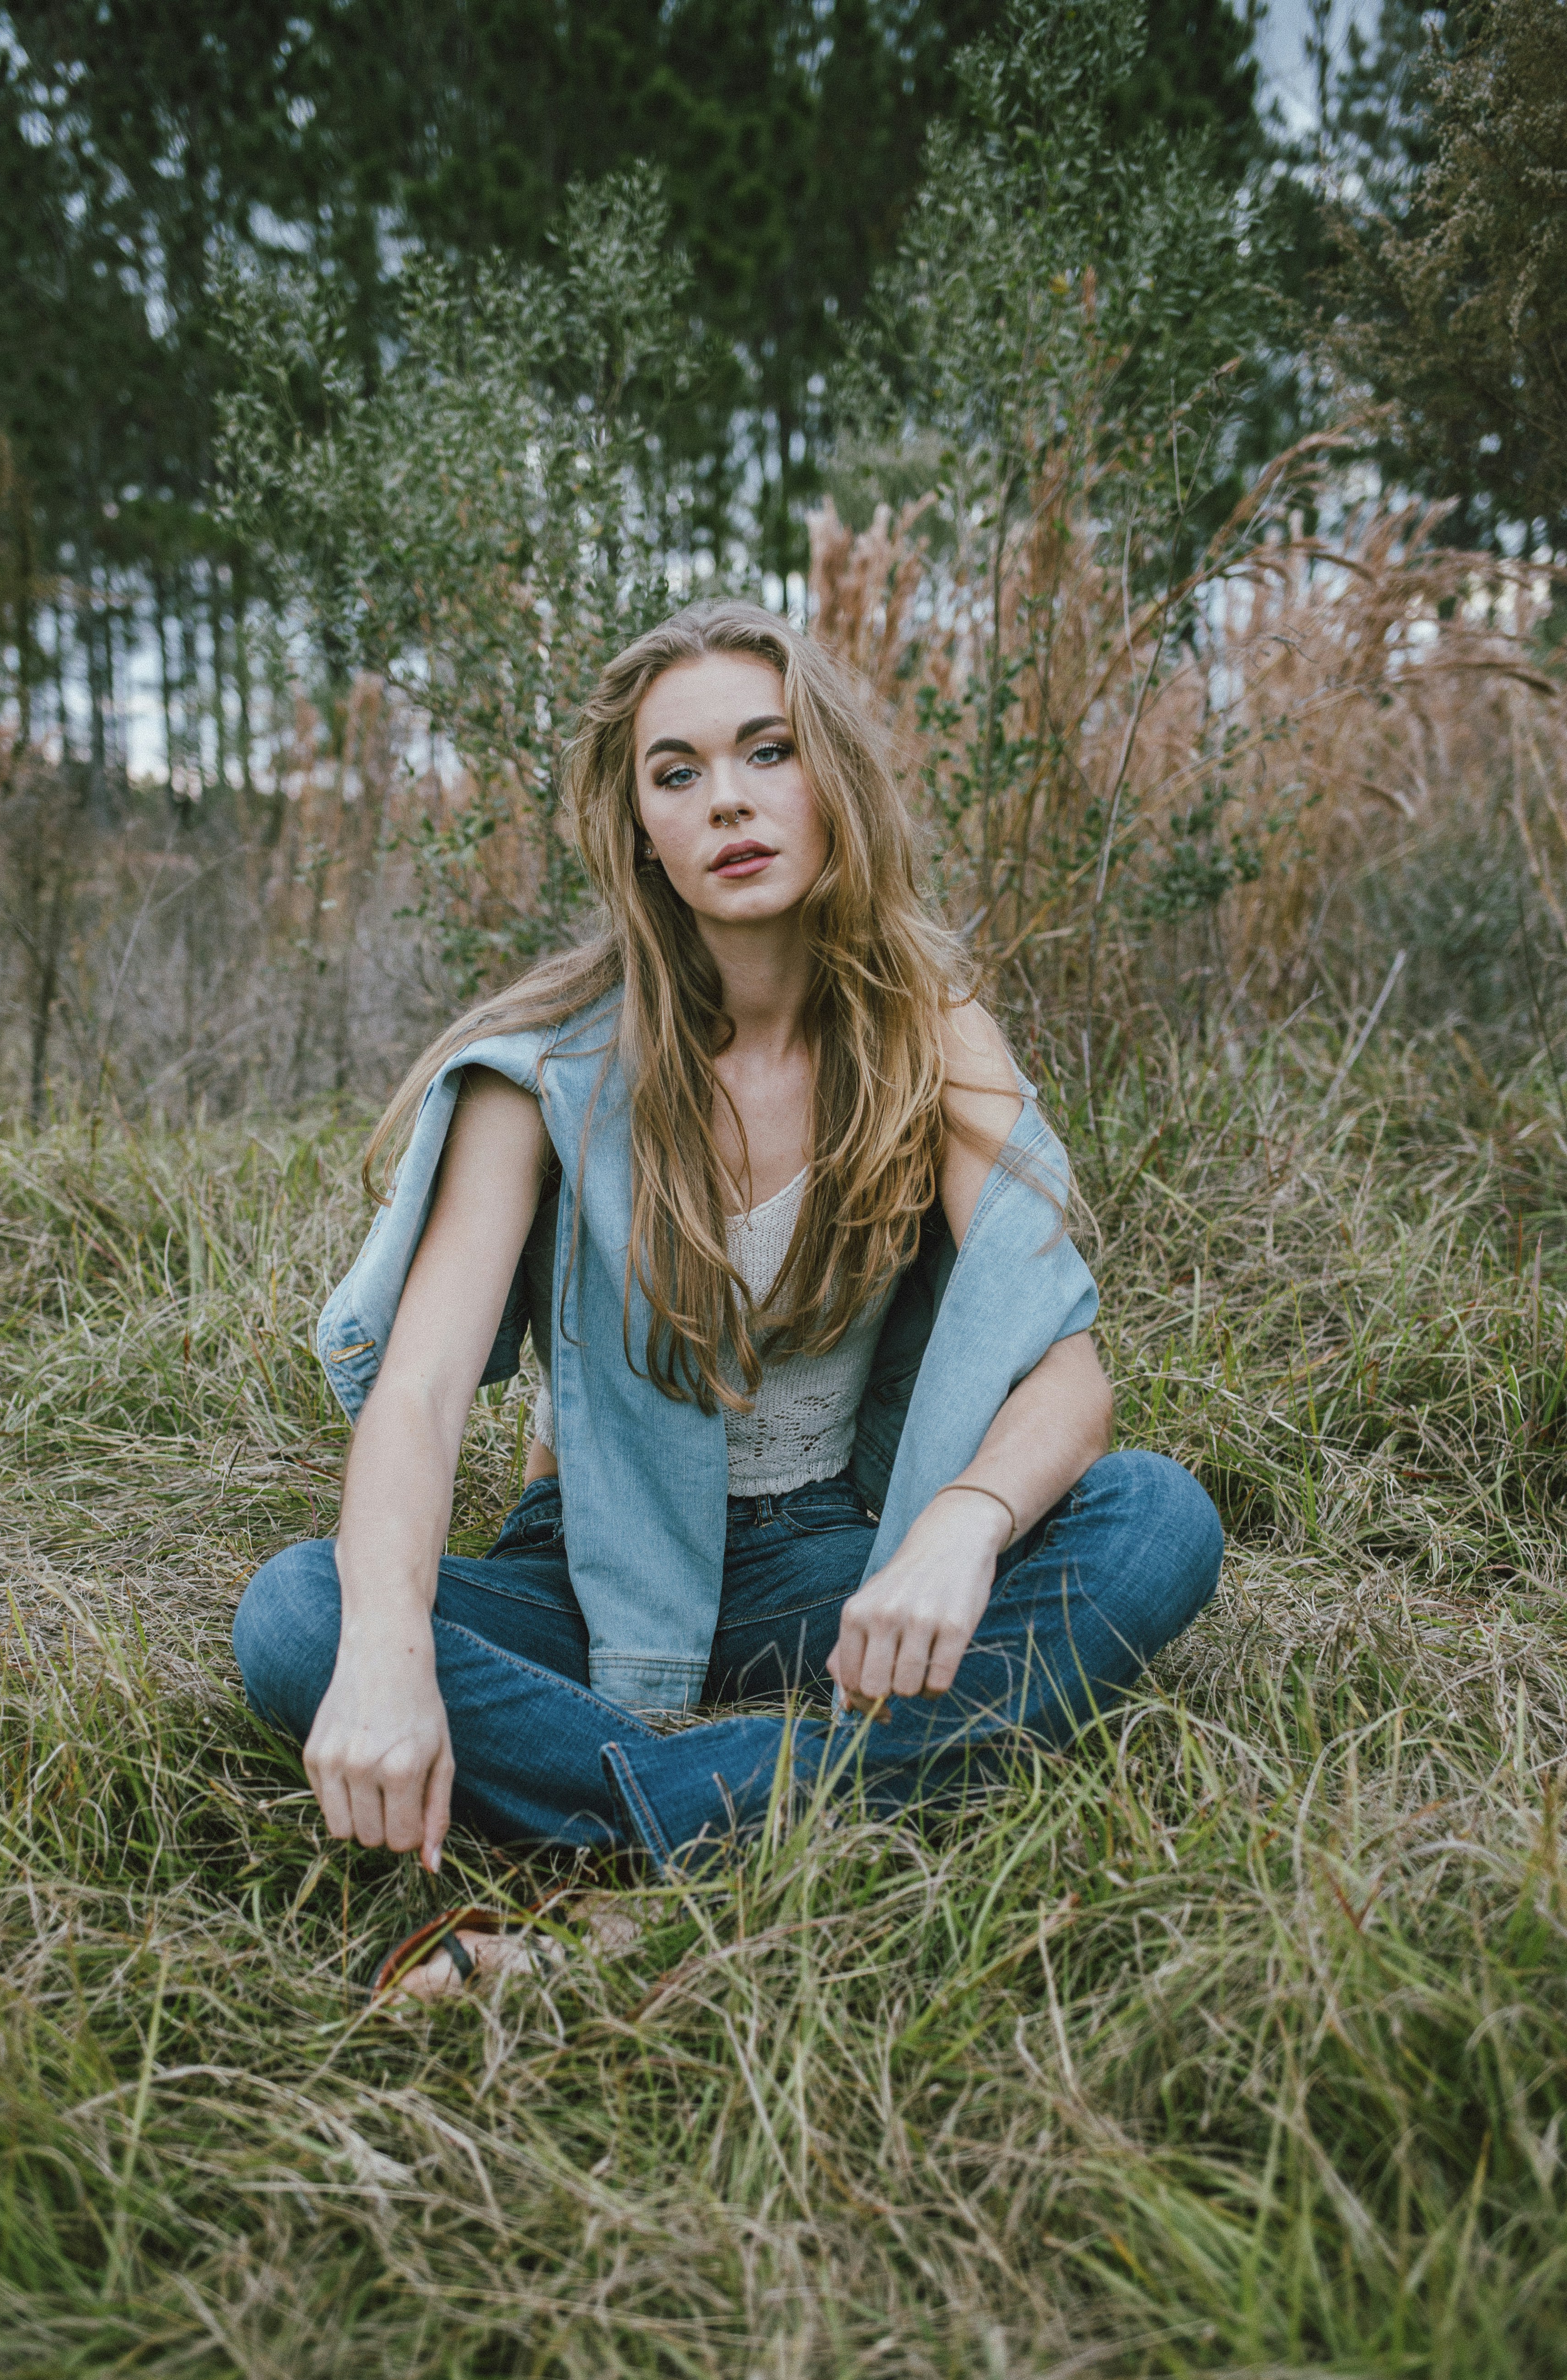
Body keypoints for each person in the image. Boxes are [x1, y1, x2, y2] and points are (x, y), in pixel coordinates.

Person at [233, 601, 1223, 2001]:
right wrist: (387, 1656)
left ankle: (616, 1884)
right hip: (588, 1570)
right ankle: (801, 1827)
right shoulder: (549, 1069)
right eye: (677, 772)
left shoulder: (930, 1034)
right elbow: (423, 1390)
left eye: (768, 751)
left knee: (1157, 1520)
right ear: (642, 828)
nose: (729, 801)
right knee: (299, 1618)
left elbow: (1068, 1370)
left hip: (833, 1569)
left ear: (831, 779)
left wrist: (959, 1525)